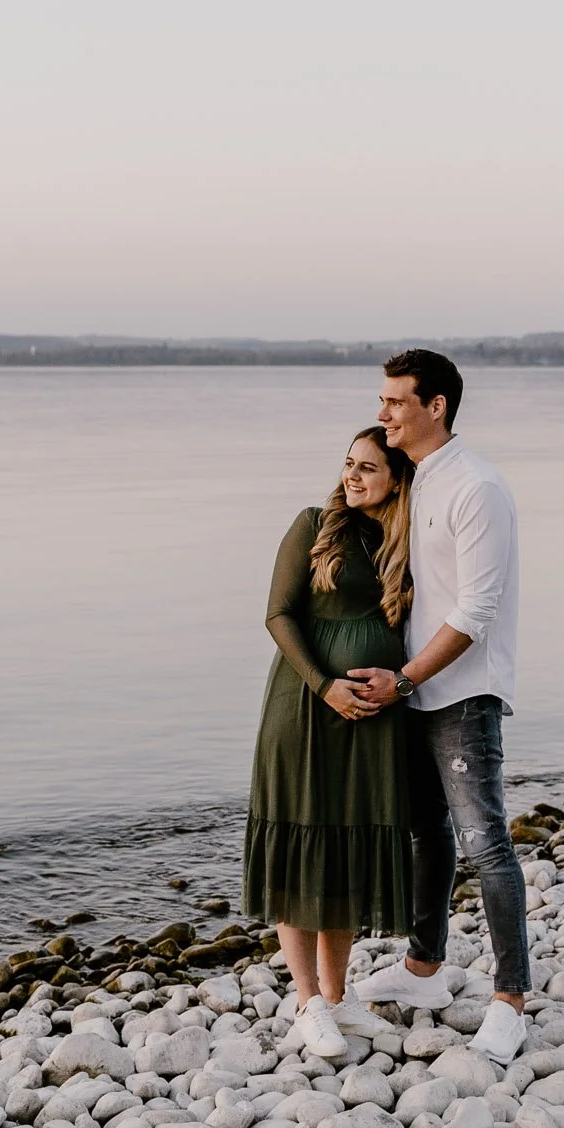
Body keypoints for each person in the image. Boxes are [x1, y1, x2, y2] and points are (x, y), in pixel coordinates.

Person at [351, 348, 532, 1064]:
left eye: (395, 401)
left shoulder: (477, 488)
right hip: (418, 689)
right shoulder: (420, 481)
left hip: (463, 692)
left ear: (437, 407)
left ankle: (511, 1001)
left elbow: (477, 610)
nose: (382, 412)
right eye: (383, 399)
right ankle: (424, 969)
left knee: (485, 841)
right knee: (427, 832)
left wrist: (404, 678)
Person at [243, 426, 420, 1059]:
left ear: (396, 478)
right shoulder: (315, 524)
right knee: (302, 845)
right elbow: (278, 615)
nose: (354, 476)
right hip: (305, 709)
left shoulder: (408, 538)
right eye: (349, 464)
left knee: (344, 850)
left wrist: (396, 687)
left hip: (375, 722)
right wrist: (325, 687)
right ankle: (307, 1002)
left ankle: (339, 999)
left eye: (369, 468)